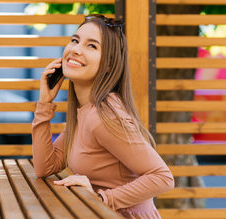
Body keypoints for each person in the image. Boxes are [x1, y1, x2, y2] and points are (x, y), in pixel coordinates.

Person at [31, 14, 174, 218]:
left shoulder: (103, 116)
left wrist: (101, 199)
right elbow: (46, 166)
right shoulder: (84, 111)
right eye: (75, 40)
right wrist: (44, 104)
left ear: (108, 65)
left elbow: (162, 177)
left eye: (92, 46)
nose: (76, 50)